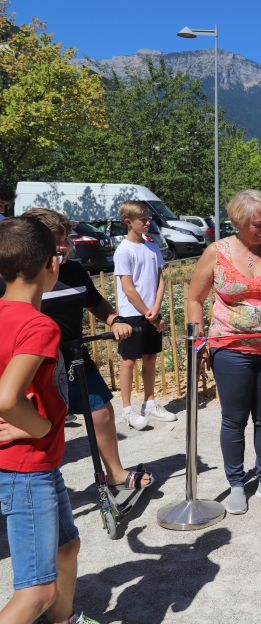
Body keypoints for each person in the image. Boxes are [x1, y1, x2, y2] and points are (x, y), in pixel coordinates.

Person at [0, 217, 92, 624]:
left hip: (42, 465)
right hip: (27, 466)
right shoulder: (40, 326)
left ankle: (65, 619)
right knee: (36, 591)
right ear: (51, 264)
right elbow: (7, 398)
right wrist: (39, 427)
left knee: (66, 548)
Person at [23, 208, 151, 490]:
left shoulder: (75, 271)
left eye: (65, 240)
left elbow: (95, 302)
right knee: (39, 424)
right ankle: (41, 486)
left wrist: (114, 319)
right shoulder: (19, 277)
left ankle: (115, 473)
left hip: (74, 356)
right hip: (33, 365)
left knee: (101, 411)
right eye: (57, 241)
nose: (64, 247)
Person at [187, 189, 261, 515]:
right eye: (256, 225)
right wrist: (198, 338)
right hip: (230, 349)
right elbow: (194, 298)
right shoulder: (216, 252)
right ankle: (235, 483)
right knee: (234, 419)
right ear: (237, 222)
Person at [113, 200, 174, 429]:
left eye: (149, 218)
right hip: (132, 314)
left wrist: (155, 308)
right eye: (143, 220)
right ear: (129, 222)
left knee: (151, 357)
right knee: (128, 361)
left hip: (151, 312)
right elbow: (128, 288)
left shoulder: (153, 247)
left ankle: (150, 403)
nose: (148, 222)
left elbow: (160, 279)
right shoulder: (123, 251)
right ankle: (127, 410)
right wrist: (146, 312)